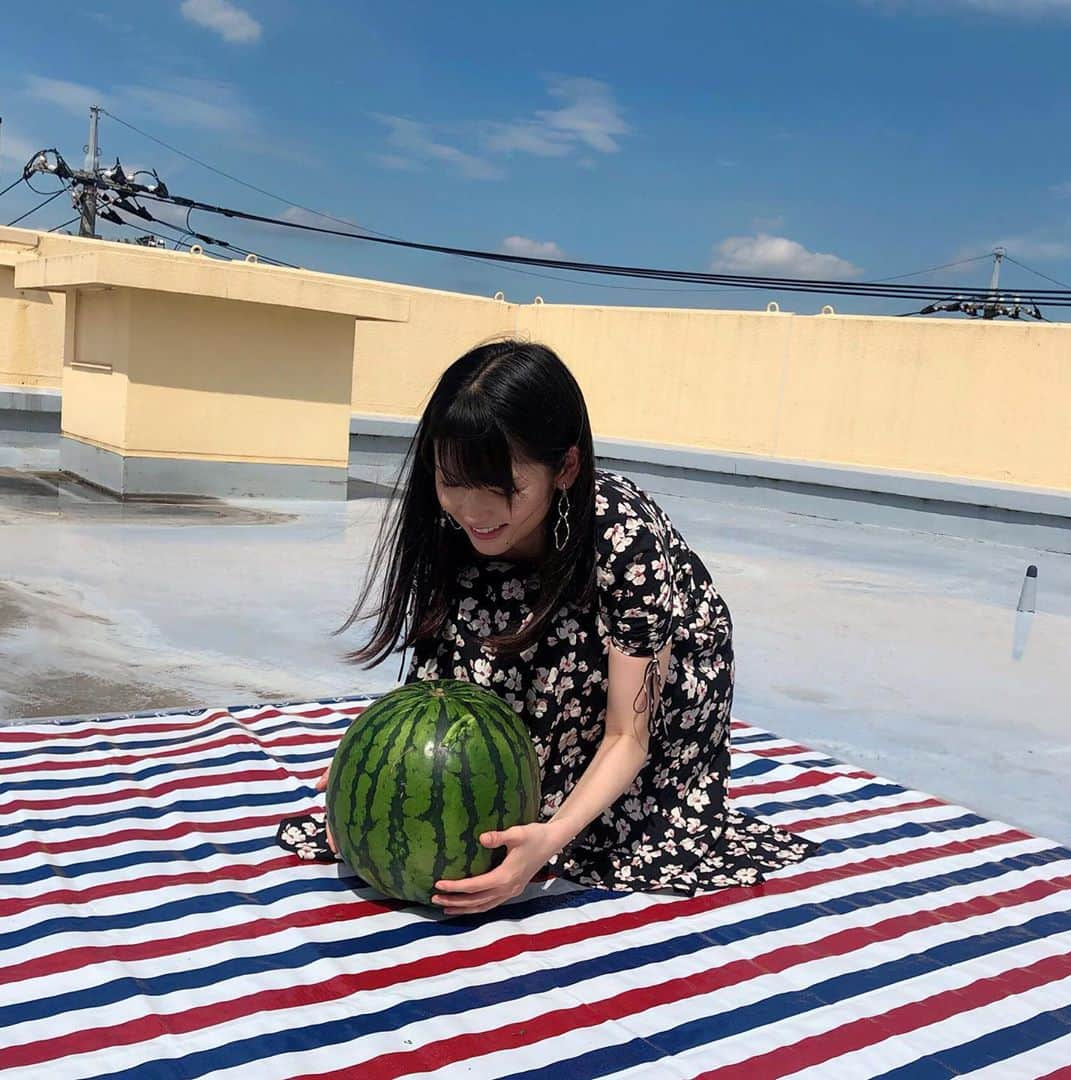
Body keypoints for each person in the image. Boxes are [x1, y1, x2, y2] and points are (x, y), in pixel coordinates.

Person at [279, 339, 817, 913]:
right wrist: (376, 781)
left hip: (656, 691)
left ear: (564, 468)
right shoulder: (449, 522)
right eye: (451, 480)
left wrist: (549, 843)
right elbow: (437, 682)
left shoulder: (623, 537)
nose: (472, 512)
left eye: (500, 487)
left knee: (591, 830)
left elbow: (628, 736)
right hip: (545, 654)